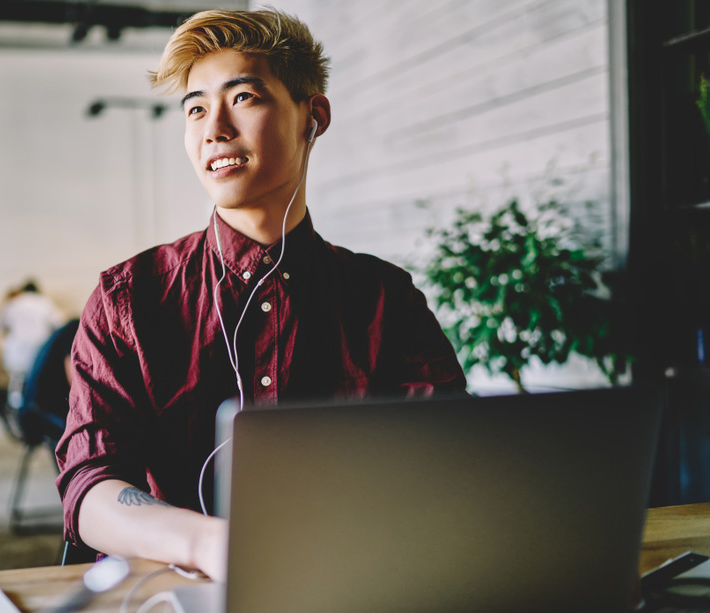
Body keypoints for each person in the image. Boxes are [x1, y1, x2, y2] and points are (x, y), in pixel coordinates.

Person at [55, 9, 466, 582]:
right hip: (176, 590)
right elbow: (89, 483)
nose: (213, 129)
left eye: (242, 98)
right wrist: (208, 544)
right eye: (195, 108)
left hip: (347, 581)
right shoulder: (129, 296)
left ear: (312, 117)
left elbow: (448, 462)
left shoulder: (383, 297)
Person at [0, 280, 66, 406]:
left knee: (17, 381)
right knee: (39, 380)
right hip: (39, 351)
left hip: (16, 353)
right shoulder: (44, 303)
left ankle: (15, 405)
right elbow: (61, 324)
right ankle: (36, 405)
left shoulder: (14, 304)